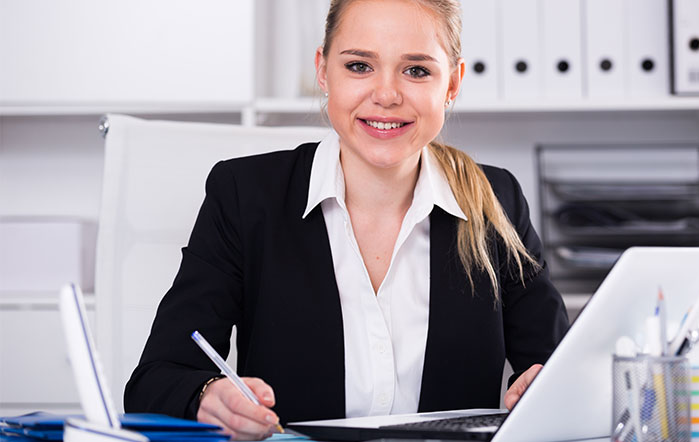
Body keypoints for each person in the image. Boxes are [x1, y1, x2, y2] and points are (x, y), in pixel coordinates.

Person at [123, 0, 569, 440]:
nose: (387, 94)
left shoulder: (496, 202)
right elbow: (155, 381)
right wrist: (205, 394)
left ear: (452, 83)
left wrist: (545, 384)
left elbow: (560, 368)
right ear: (323, 71)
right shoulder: (243, 195)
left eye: (416, 70)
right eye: (359, 66)